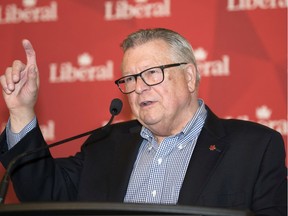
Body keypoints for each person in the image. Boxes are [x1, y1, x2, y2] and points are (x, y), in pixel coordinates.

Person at [0, 28, 286, 215]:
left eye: (151, 74)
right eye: (130, 79)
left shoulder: (254, 147)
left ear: (189, 77)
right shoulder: (105, 144)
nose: (138, 88)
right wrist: (22, 110)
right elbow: (44, 193)